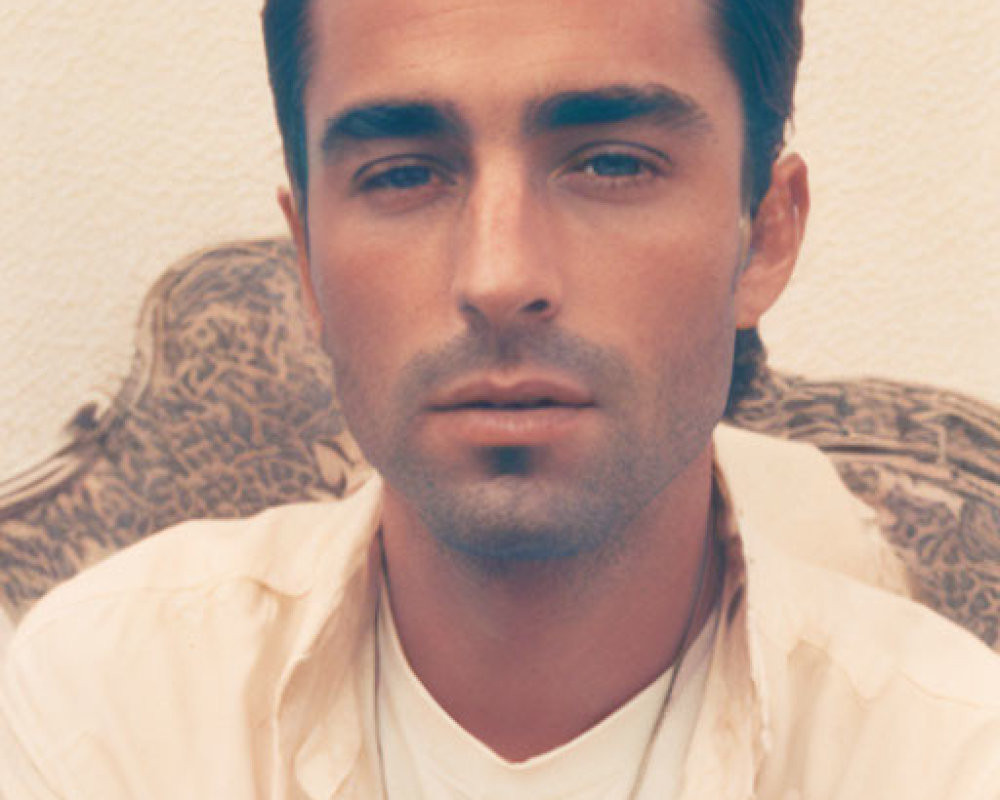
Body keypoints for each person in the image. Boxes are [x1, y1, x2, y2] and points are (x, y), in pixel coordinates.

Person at [2, 0, 999, 797]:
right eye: (403, 173)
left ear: (766, 234)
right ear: (306, 256)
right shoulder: (109, 706)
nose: (497, 271)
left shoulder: (944, 755)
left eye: (611, 163)